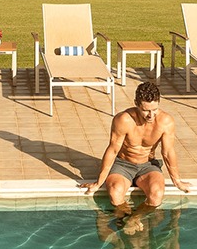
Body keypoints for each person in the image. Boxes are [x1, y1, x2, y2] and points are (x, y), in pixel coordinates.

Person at [81, 82, 190, 222]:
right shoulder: (123, 119)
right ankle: (130, 221)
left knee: (157, 194)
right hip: (123, 164)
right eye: (146, 110)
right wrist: (98, 182)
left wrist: (177, 181)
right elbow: (113, 150)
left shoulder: (166, 121)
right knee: (115, 192)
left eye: (154, 109)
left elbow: (168, 152)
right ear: (136, 104)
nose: (151, 115)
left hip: (147, 165)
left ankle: (132, 220)